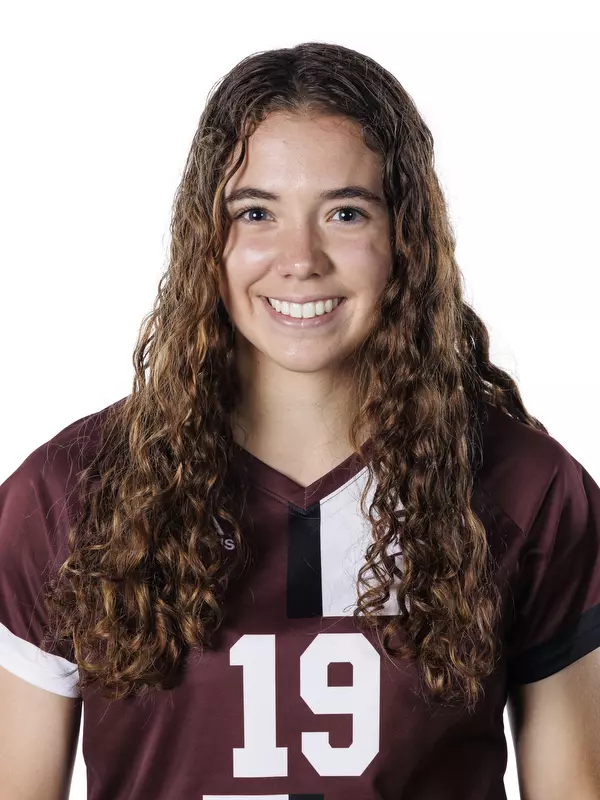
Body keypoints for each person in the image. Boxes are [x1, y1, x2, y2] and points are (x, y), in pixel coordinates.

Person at [1, 41, 599, 800]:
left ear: (407, 240)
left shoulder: (527, 490)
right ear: (205, 241)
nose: (300, 258)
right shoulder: (69, 494)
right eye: (256, 212)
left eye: (346, 213)